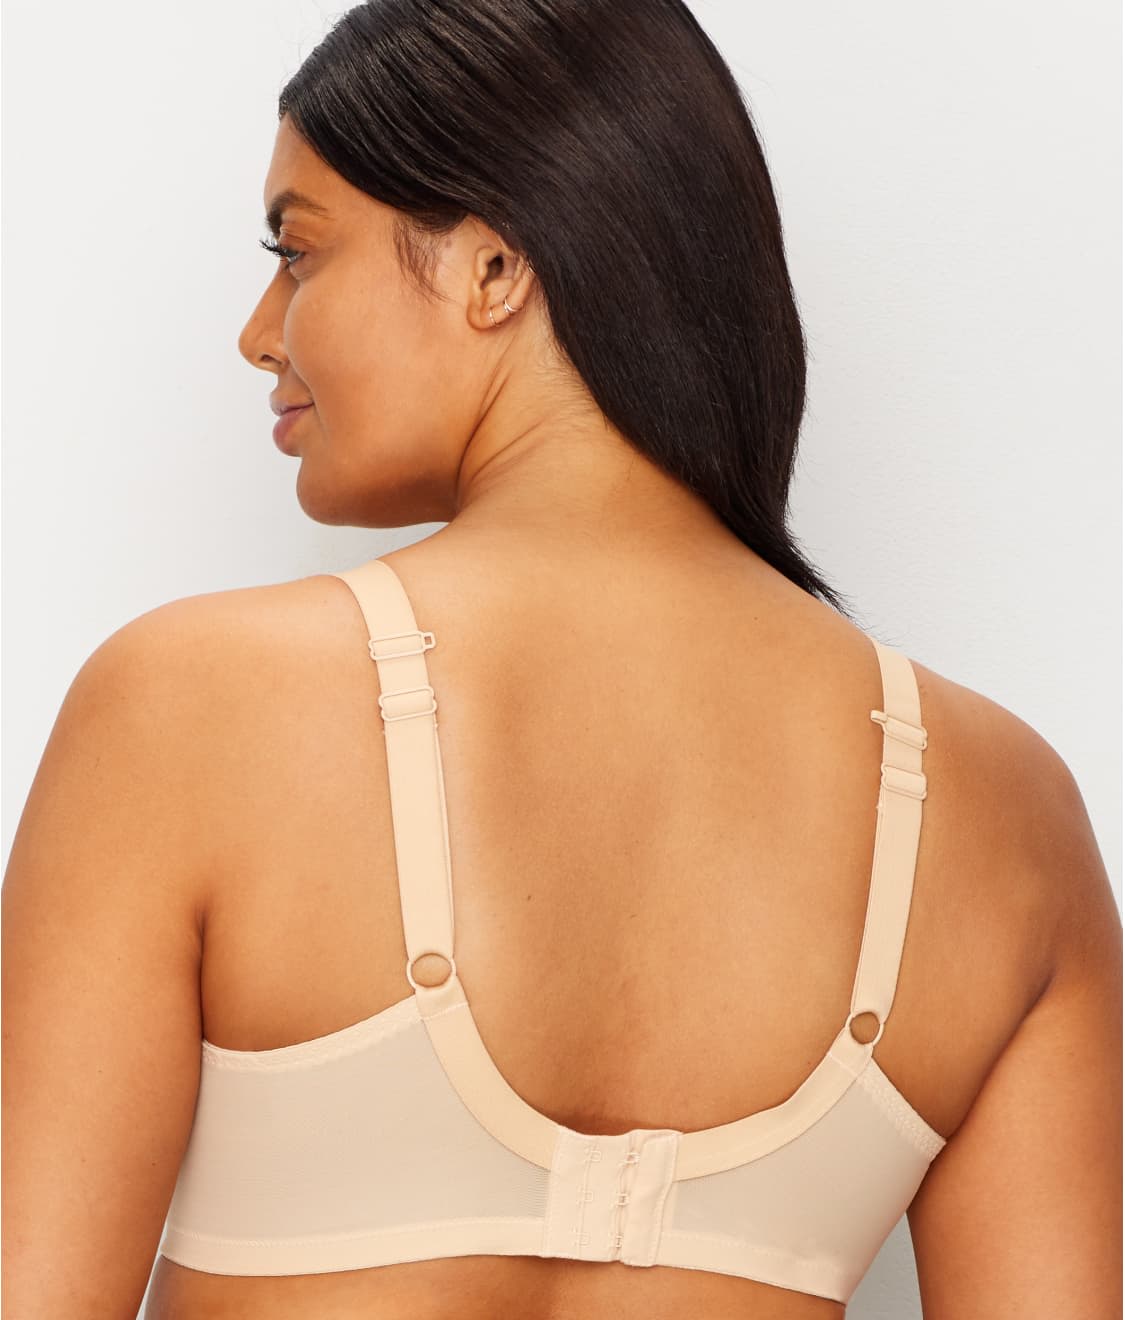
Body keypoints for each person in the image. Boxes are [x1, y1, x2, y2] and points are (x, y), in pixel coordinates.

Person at [4, 2, 1120, 1317]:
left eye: (297, 253)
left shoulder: (192, 708)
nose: (260, 329)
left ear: (493, 267)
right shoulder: (1006, 815)